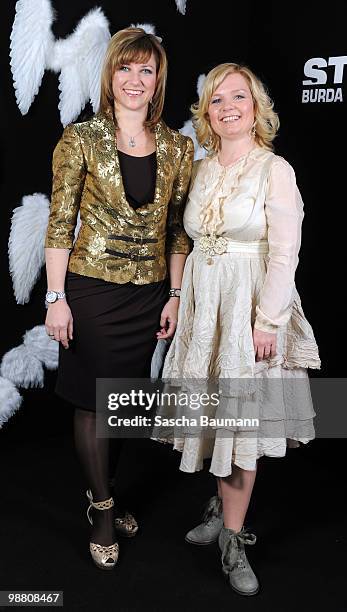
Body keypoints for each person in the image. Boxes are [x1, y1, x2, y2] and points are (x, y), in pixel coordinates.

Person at [155, 63, 320, 595]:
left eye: (238, 97)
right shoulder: (200, 170)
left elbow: (285, 252)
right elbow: (187, 241)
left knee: (242, 421)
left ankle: (233, 536)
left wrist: (267, 320)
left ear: (256, 107)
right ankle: (221, 504)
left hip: (249, 306)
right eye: (217, 100)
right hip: (207, 308)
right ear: (207, 112)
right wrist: (179, 299)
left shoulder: (275, 169)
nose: (228, 107)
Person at [44, 27, 194, 570]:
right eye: (126, 68)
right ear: (111, 76)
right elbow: (61, 224)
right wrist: (55, 298)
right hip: (90, 291)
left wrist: (174, 295)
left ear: (158, 83)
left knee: (125, 405)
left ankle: (101, 494)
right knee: (92, 402)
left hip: (148, 294)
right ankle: (103, 510)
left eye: (146, 71)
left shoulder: (178, 148)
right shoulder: (80, 138)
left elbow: (178, 231)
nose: (135, 79)